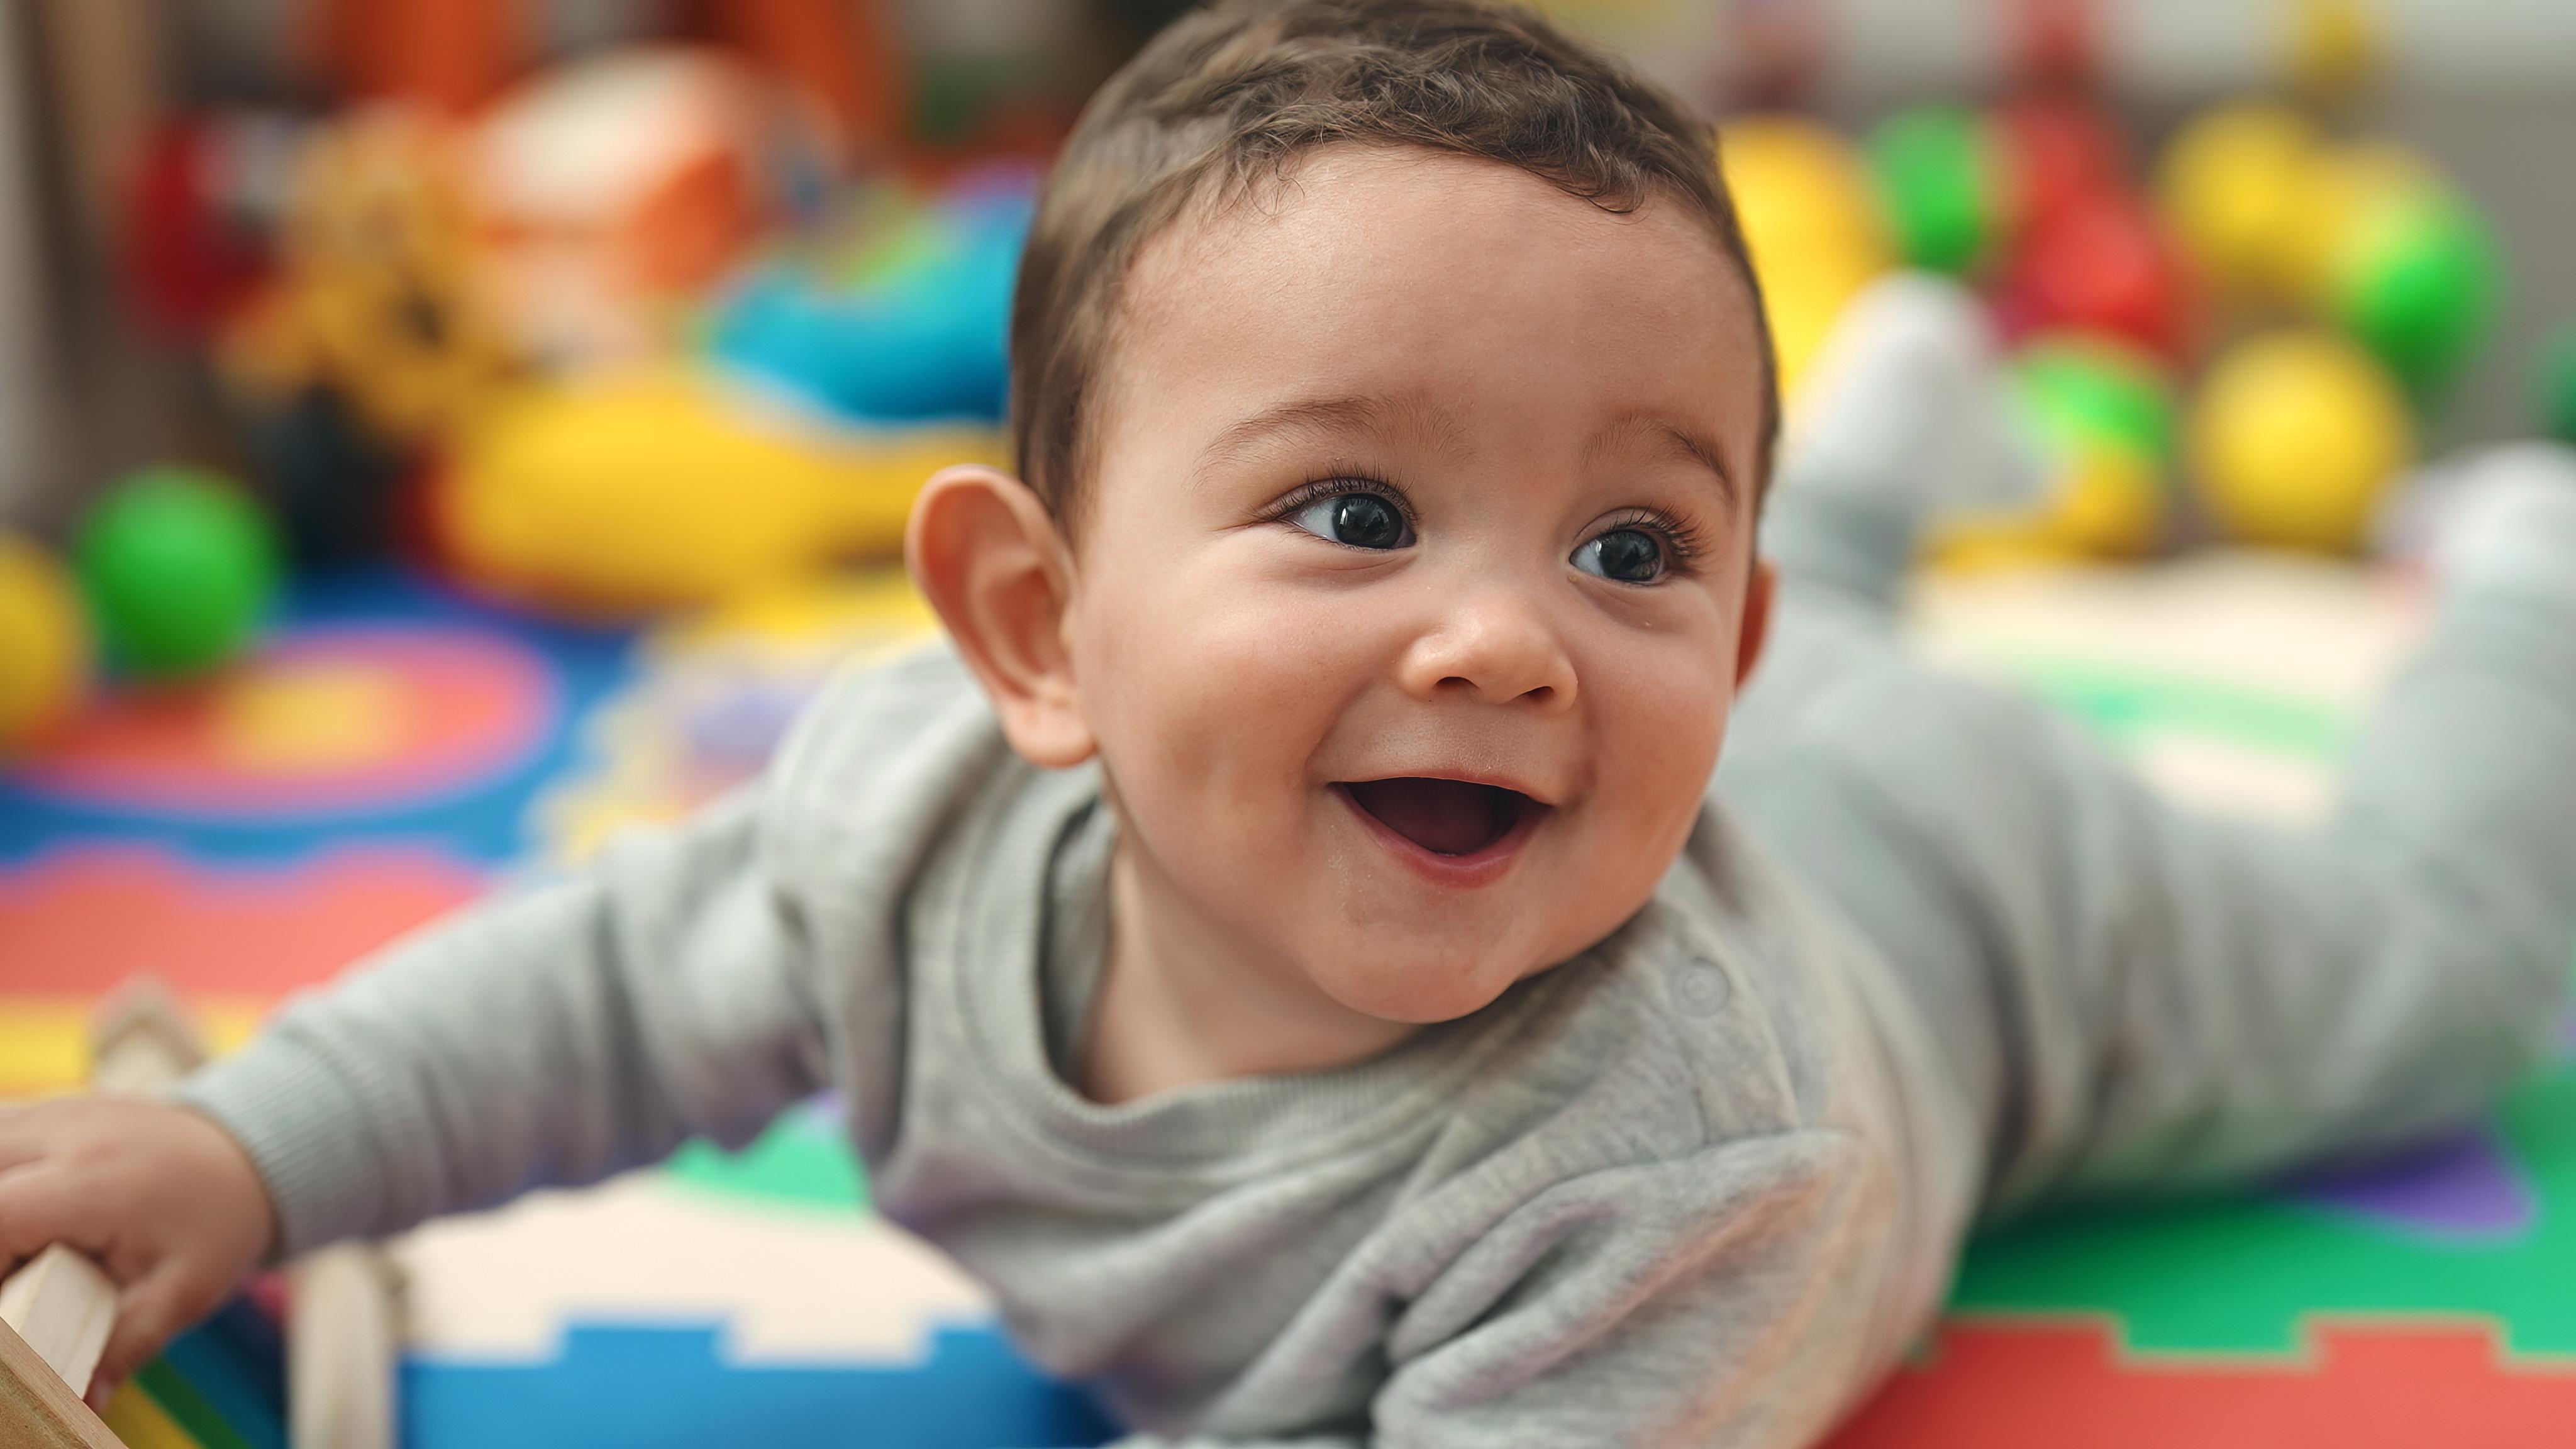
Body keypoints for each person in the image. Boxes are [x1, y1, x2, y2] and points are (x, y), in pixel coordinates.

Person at [9, 3, 2576, 1443]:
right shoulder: (891, 832)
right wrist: (251, 1149)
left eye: (1635, 549)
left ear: (1728, 640)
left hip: (1979, 921)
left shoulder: (1683, 1164)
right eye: (1353, 515)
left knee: (2439, 976)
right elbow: (577, 994)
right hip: (1816, 747)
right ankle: (1883, 465)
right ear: (1032, 635)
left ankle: (2526, 582)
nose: (1503, 644)